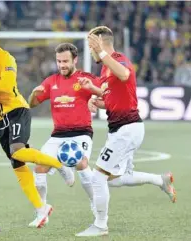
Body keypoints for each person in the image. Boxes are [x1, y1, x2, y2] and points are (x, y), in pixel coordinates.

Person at [76, 26, 176, 237]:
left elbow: (124, 73)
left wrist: (102, 53)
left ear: (100, 44)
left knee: (98, 177)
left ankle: (100, 225)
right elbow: (111, 100)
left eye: (92, 46)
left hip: (127, 129)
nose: (91, 51)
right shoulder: (105, 69)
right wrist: (94, 97)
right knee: (117, 178)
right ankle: (160, 180)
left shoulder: (118, 59)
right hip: (121, 129)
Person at [0, 28, 71, 228]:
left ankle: (59, 164)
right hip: (0, 119)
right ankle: (41, 209)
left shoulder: (7, 60)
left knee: (18, 151)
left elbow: (5, 86)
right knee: (17, 164)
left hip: (17, 110)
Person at [27, 43, 102, 227]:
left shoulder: (85, 78)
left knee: (81, 162)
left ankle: (97, 205)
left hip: (81, 133)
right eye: (59, 61)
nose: (62, 65)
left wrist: (93, 96)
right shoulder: (51, 81)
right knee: (39, 168)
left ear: (75, 60)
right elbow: (33, 104)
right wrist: (33, 95)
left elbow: (105, 93)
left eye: (66, 61)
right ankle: (41, 211)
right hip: (58, 135)